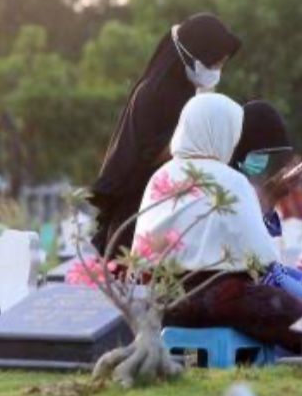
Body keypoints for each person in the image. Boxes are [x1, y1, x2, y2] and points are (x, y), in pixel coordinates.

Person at [133, 93, 302, 352]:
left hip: (159, 300)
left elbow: (140, 252)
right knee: (298, 319)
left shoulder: (161, 175)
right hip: (216, 301)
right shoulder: (230, 179)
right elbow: (264, 255)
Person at [90, 13, 241, 256]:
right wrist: (198, 144)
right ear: (195, 55)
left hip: (160, 209)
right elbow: (150, 153)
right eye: (215, 64)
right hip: (139, 213)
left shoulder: (181, 91)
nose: (217, 71)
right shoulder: (157, 94)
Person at [228, 100, 302, 306]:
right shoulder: (226, 183)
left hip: (273, 270)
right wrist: (271, 197)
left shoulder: (249, 181)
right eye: (259, 154)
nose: (263, 161)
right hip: (255, 280)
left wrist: (274, 195)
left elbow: (267, 235)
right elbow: (247, 243)